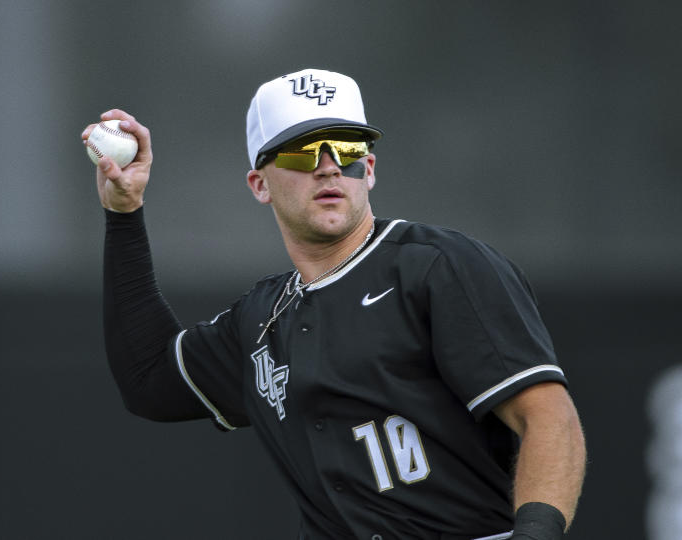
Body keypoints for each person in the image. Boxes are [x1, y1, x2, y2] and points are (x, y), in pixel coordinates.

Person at [82, 68, 586, 540]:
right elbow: (148, 380)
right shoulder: (260, 318)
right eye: (302, 153)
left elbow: (547, 416)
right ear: (260, 184)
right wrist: (123, 213)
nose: (328, 166)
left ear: (367, 168)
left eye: (346, 148)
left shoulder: (438, 266)